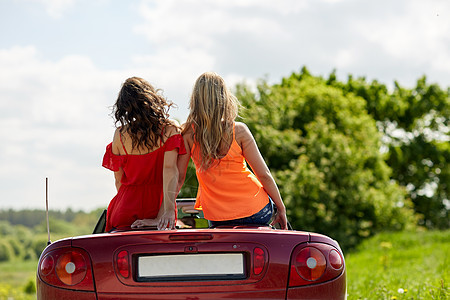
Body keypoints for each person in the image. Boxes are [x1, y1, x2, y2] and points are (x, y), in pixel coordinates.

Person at [177, 72, 288, 229]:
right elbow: (264, 175)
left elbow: (179, 178)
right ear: (224, 98)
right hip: (257, 210)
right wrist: (281, 208)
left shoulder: (188, 134)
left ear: (195, 100)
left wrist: (165, 211)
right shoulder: (239, 130)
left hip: (218, 217)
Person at [102, 77, 186, 232]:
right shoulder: (169, 130)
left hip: (124, 208)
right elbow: (170, 170)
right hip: (158, 206)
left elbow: (118, 181)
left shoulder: (120, 135)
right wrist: (166, 211)